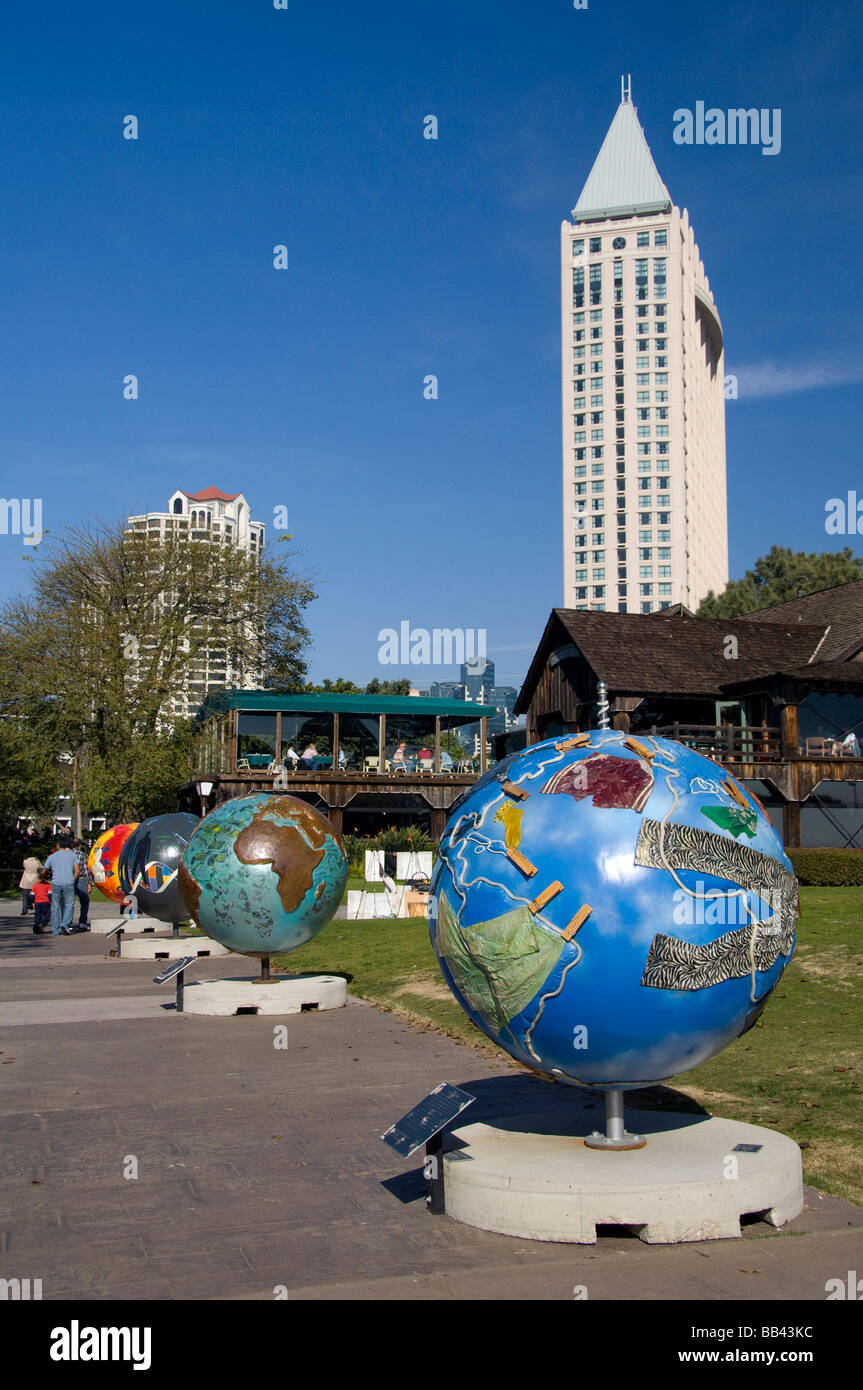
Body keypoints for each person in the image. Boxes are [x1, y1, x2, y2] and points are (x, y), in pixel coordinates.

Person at [44, 837, 80, 936]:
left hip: (56, 883)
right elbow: (77, 870)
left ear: (59, 845)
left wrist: (42, 877)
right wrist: (73, 879)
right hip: (68, 882)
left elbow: (44, 869)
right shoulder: (72, 856)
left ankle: (55, 929)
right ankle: (65, 923)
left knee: (55, 906)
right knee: (69, 905)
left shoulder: (52, 856)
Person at [72, 839, 92, 930]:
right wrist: (89, 882)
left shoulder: (68, 854)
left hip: (70, 879)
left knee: (69, 902)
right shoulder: (83, 855)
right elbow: (86, 870)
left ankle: (67, 922)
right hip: (81, 879)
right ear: (80, 846)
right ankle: (82, 922)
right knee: (84, 901)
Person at [31, 869, 52, 935]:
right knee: (47, 916)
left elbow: (32, 894)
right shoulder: (48, 885)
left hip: (37, 902)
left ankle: (35, 929)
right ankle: (42, 924)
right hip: (46, 902)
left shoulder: (35, 885)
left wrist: (33, 902)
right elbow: (50, 895)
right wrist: (51, 901)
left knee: (37, 916)